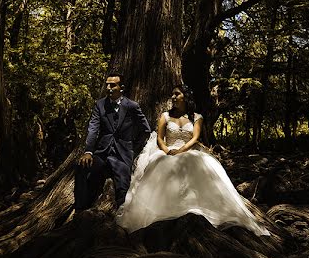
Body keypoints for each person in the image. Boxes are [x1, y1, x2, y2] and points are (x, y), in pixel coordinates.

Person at [116, 84, 270, 236]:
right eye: (173, 94)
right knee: (162, 166)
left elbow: (195, 138)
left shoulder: (197, 117)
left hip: (188, 150)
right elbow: (160, 139)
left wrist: (181, 151)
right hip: (167, 151)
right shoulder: (165, 116)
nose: (173, 97)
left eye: (177, 94)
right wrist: (167, 151)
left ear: (185, 97)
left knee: (199, 165)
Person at [75, 73, 152, 210]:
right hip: (102, 153)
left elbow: (145, 129)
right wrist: (88, 151)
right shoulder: (100, 105)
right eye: (107, 85)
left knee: (123, 186)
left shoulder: (132, 106)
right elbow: (93, 129)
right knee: (83, 167)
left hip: (122, 155)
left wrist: (133, 147)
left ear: (121, 88)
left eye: (113, 85)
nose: (109, 88)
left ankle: (121, 219)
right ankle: (80, 209)